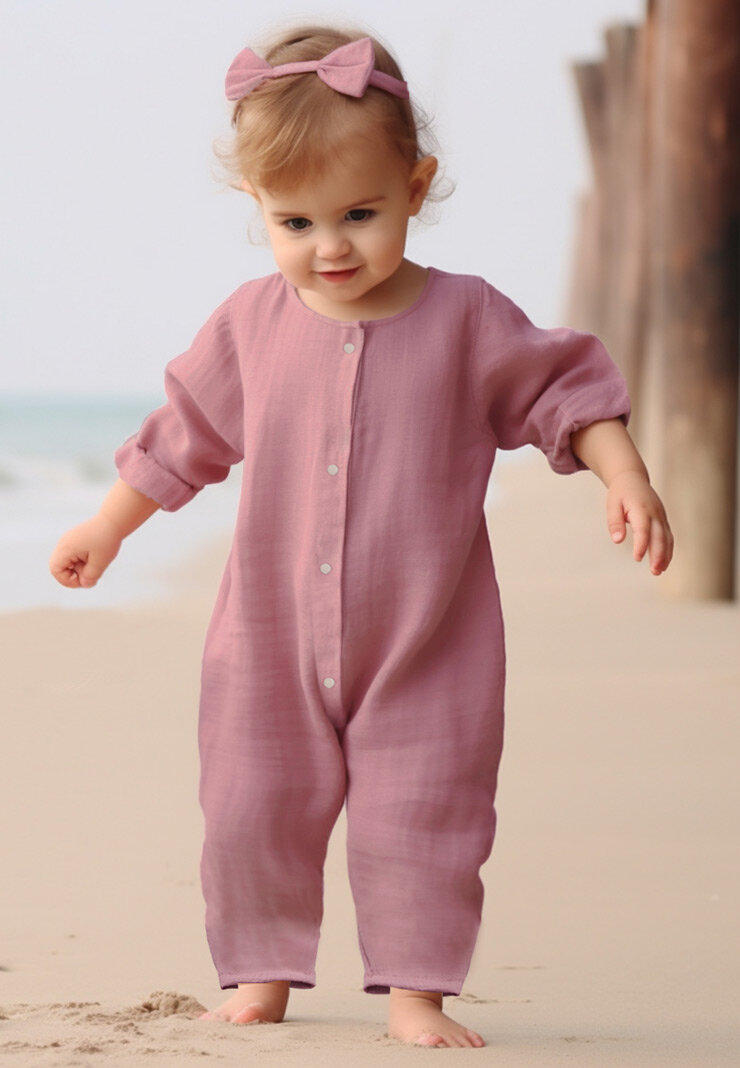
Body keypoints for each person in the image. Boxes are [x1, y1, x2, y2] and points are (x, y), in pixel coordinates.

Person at [49, 25, 673, 1049]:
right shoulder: (250, 324)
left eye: (359, 214)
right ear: (255, 206)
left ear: (415, 187)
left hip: (428, 639)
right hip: (268, 639)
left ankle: (416, 992)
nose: (329, 246)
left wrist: (625, 474)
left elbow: (564, 391)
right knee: (250, 808)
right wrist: (108, 525)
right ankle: (259, 974)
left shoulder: (469, 319)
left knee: (423, 815)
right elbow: (183, 434)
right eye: (294, 221)